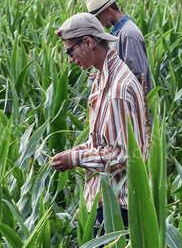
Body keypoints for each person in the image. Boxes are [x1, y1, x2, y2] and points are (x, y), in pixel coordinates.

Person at [50, 12, 150, 231]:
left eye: (70, 51)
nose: (69, 59)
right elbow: (102, 141)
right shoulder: (102, 78)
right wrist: (75, 152)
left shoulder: (117, 90)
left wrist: (74, 158)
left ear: (88, 42)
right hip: (105, 197)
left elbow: (121, 154)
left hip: (118, 205)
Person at [86, 0, 152, 94]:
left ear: (108, 11)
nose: (98, 23)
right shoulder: (118, 33)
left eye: (98, 17)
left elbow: (137, 75)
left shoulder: (128, 34)